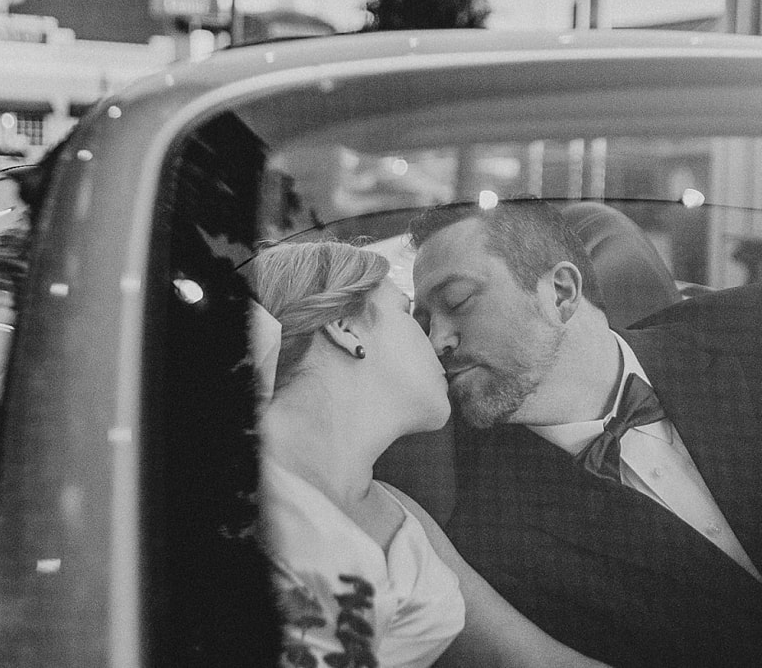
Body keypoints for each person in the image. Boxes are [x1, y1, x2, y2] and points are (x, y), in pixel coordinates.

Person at [407, 199, 762, 668]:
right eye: (423, 320)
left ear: (561, 292)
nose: (438, 342)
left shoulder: (759, 331)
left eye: (457, 301)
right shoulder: (477, 526)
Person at [249, 240, 610, 668]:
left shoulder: (403, 515)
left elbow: (533, 661)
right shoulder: (239, 500)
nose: (438, 343)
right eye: (408, 314)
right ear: (345, 327)